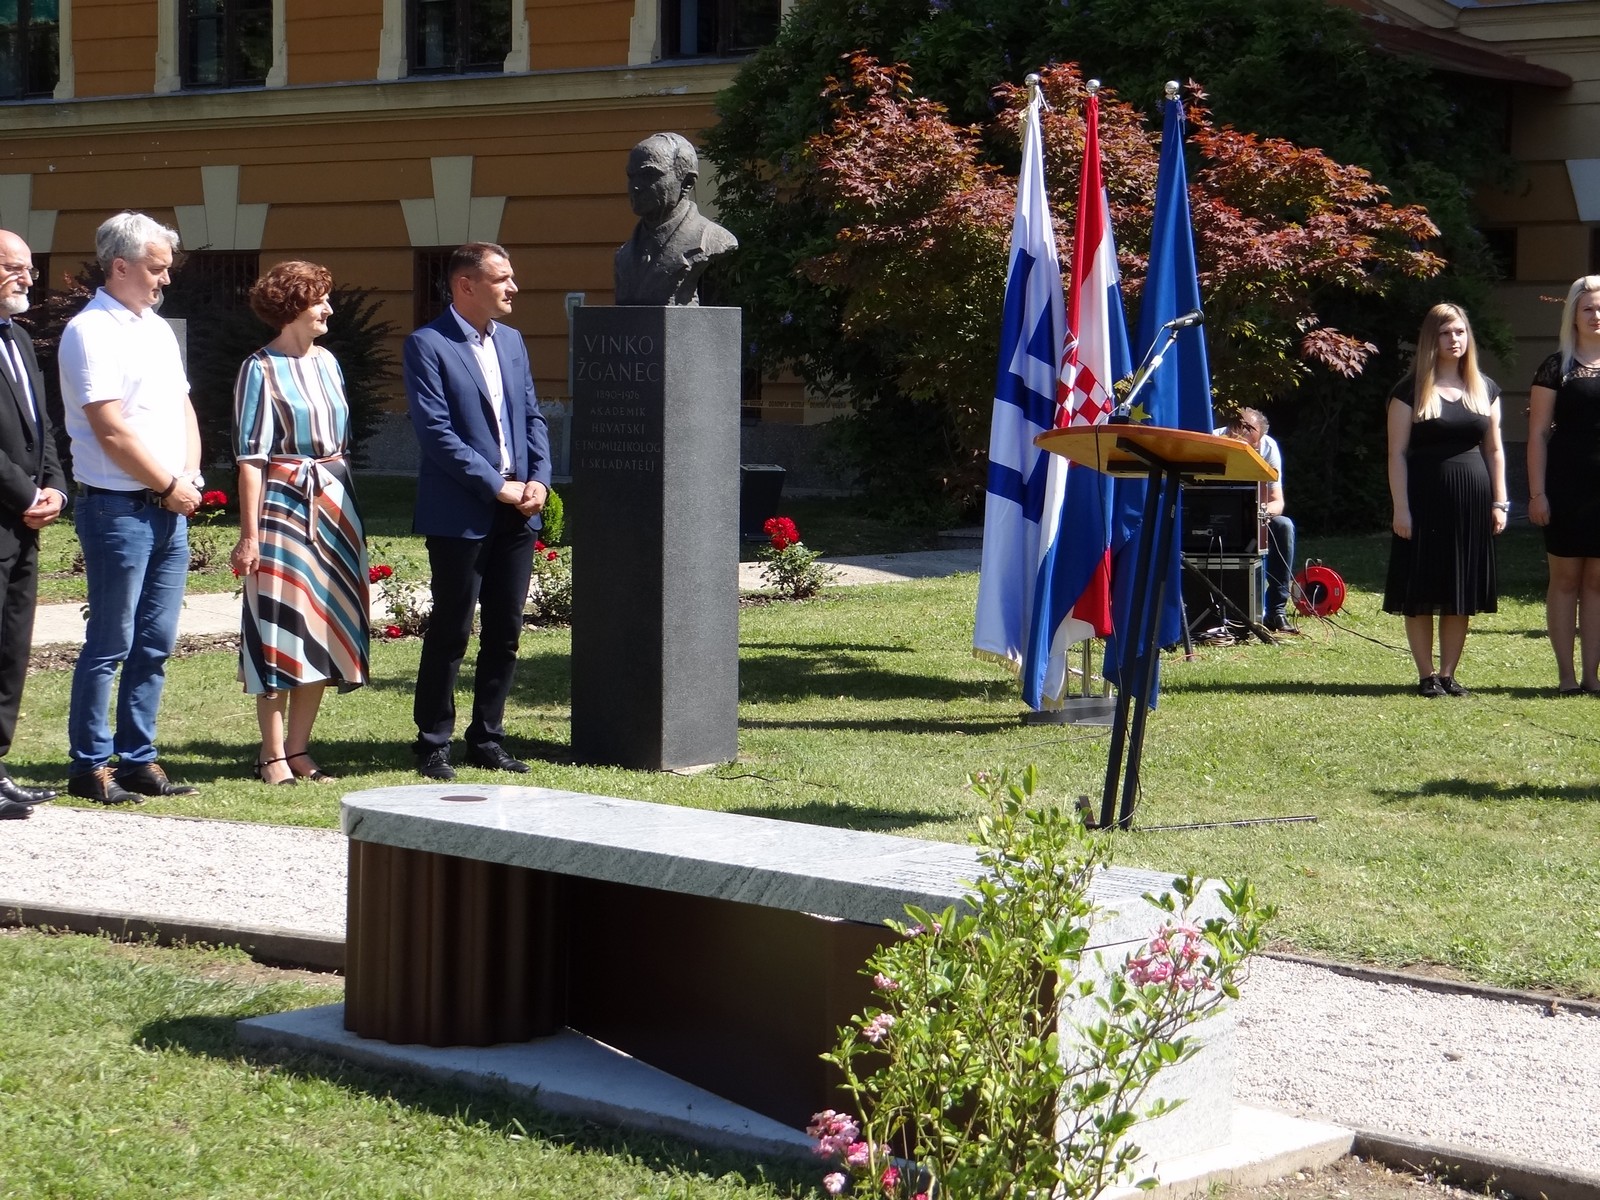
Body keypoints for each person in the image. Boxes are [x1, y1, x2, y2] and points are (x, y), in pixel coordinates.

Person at [58, 212, 203, 803]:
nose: (164, 280)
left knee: (156, 641)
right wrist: (170, 483)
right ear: (120, 266)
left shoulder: (156, 330)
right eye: (155, 268)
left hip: (168, 503)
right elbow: (111, 430)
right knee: (111, 641)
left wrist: (187, 475)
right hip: (117, 508)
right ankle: (90, 764)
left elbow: (185, 410)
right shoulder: (90, 332)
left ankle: (138, 758)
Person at [405, 242, 551, 780]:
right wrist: (498, 487)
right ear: (466, 285)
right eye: (502, 279)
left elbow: (532, 415)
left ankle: (487, 737)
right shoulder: (428, 345)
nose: (513, 288)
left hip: (519, 511)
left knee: (506, 630)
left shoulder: (511, 341)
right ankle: (432, 743)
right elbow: (436, 434)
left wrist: (539, 480)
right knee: (451, 629)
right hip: (460, 513)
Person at [229, 262, 370, 784]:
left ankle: (300, 748)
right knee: (277, 627)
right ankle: (272, 755)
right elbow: (250, 458)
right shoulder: (259, 369)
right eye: (320, 301)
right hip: (282, 509)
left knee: (323, 625)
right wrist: (249, 535)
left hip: (335, 507)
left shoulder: (330, 362)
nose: (329, 309)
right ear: (293, 308)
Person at [1383, 303, 1507, 698]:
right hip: (1423, 499)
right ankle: (1426, 675)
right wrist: (1401, 508)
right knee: (1420, 589)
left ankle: (1449, 675)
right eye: (1446, 333)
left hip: (1472, 501)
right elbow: (1396, 453)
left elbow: (1495, 450)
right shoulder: (1409, 389)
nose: (1455, 340)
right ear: (1431, 339)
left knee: (1461, 590)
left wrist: (1500, 501)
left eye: (1460, 332)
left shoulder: (1484, 387)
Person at [0, 229, 68, 819]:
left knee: (11, 649)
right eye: (14, 268)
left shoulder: (19, 338)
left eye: (28, 268)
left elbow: (41, 428)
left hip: (24, 524)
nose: (27, 278)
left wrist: (55, 488)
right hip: (4, 512)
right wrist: (25, 492)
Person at [1526, 276, 1600, 695]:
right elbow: (1537, 434)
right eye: (1588, 308)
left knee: (1597, 584)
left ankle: (1593, 676)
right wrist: (1537, 493)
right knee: (1566, 581)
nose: (1596, 315)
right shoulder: (1556, 366)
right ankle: (1567, 677)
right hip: (1567, 486)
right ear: (1573, 313)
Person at [614, 132, 738, 306]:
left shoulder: (713, 239)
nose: (635, 186)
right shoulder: (623, 255)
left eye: (649, 175)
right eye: (631, 176)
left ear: (686, 182)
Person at [1218, 407, 1299, 633]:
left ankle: (1276, 611)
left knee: (1284, 526)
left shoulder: (1269, 447)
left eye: (1253, 447)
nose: (1250, 452)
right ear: (1229, 432)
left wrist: (1256, 514)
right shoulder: (1212, 441)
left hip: (1254, 516)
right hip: (1216, 518)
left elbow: (1277, 502)